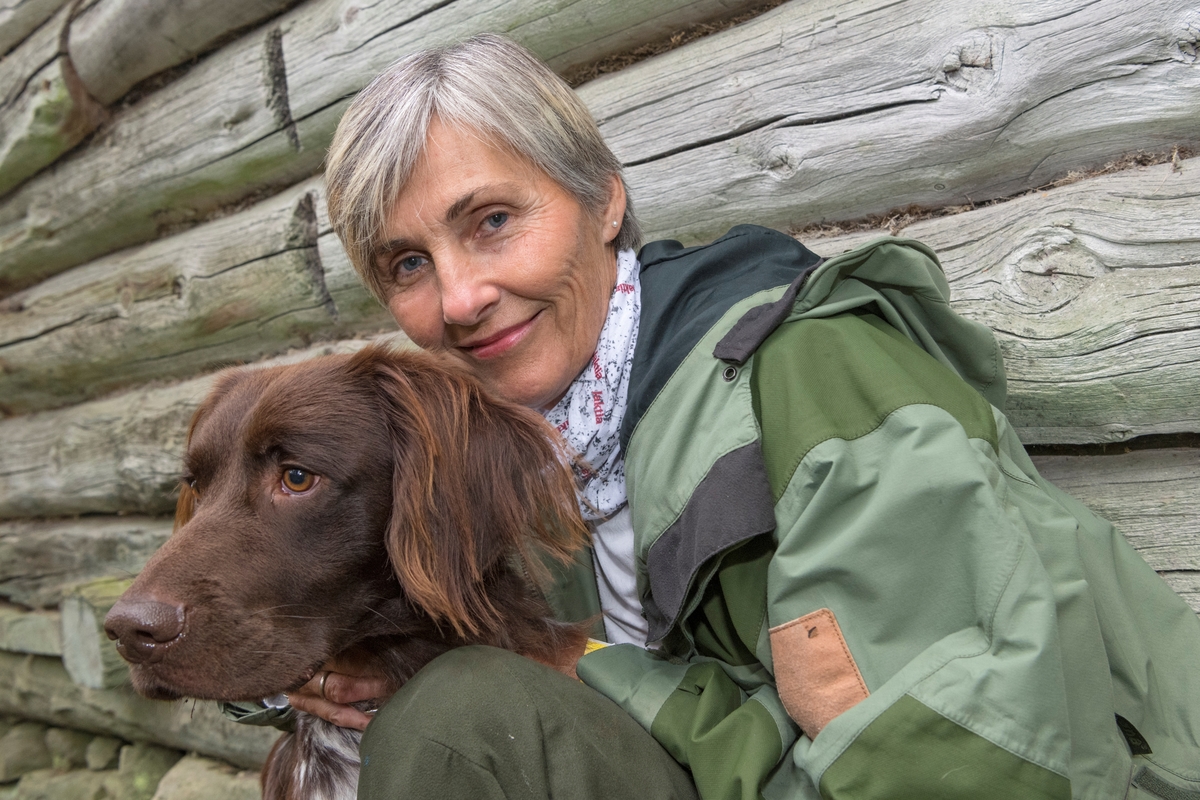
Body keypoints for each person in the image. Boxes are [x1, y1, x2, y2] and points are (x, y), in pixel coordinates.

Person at [277, 33, 1200, 799]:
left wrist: (564, 659)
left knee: (460, 718)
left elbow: (958, 759)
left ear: (604, 201)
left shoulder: (810, 376)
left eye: (490, 223)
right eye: (406, 265)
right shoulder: (538, 451)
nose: (461, 298)